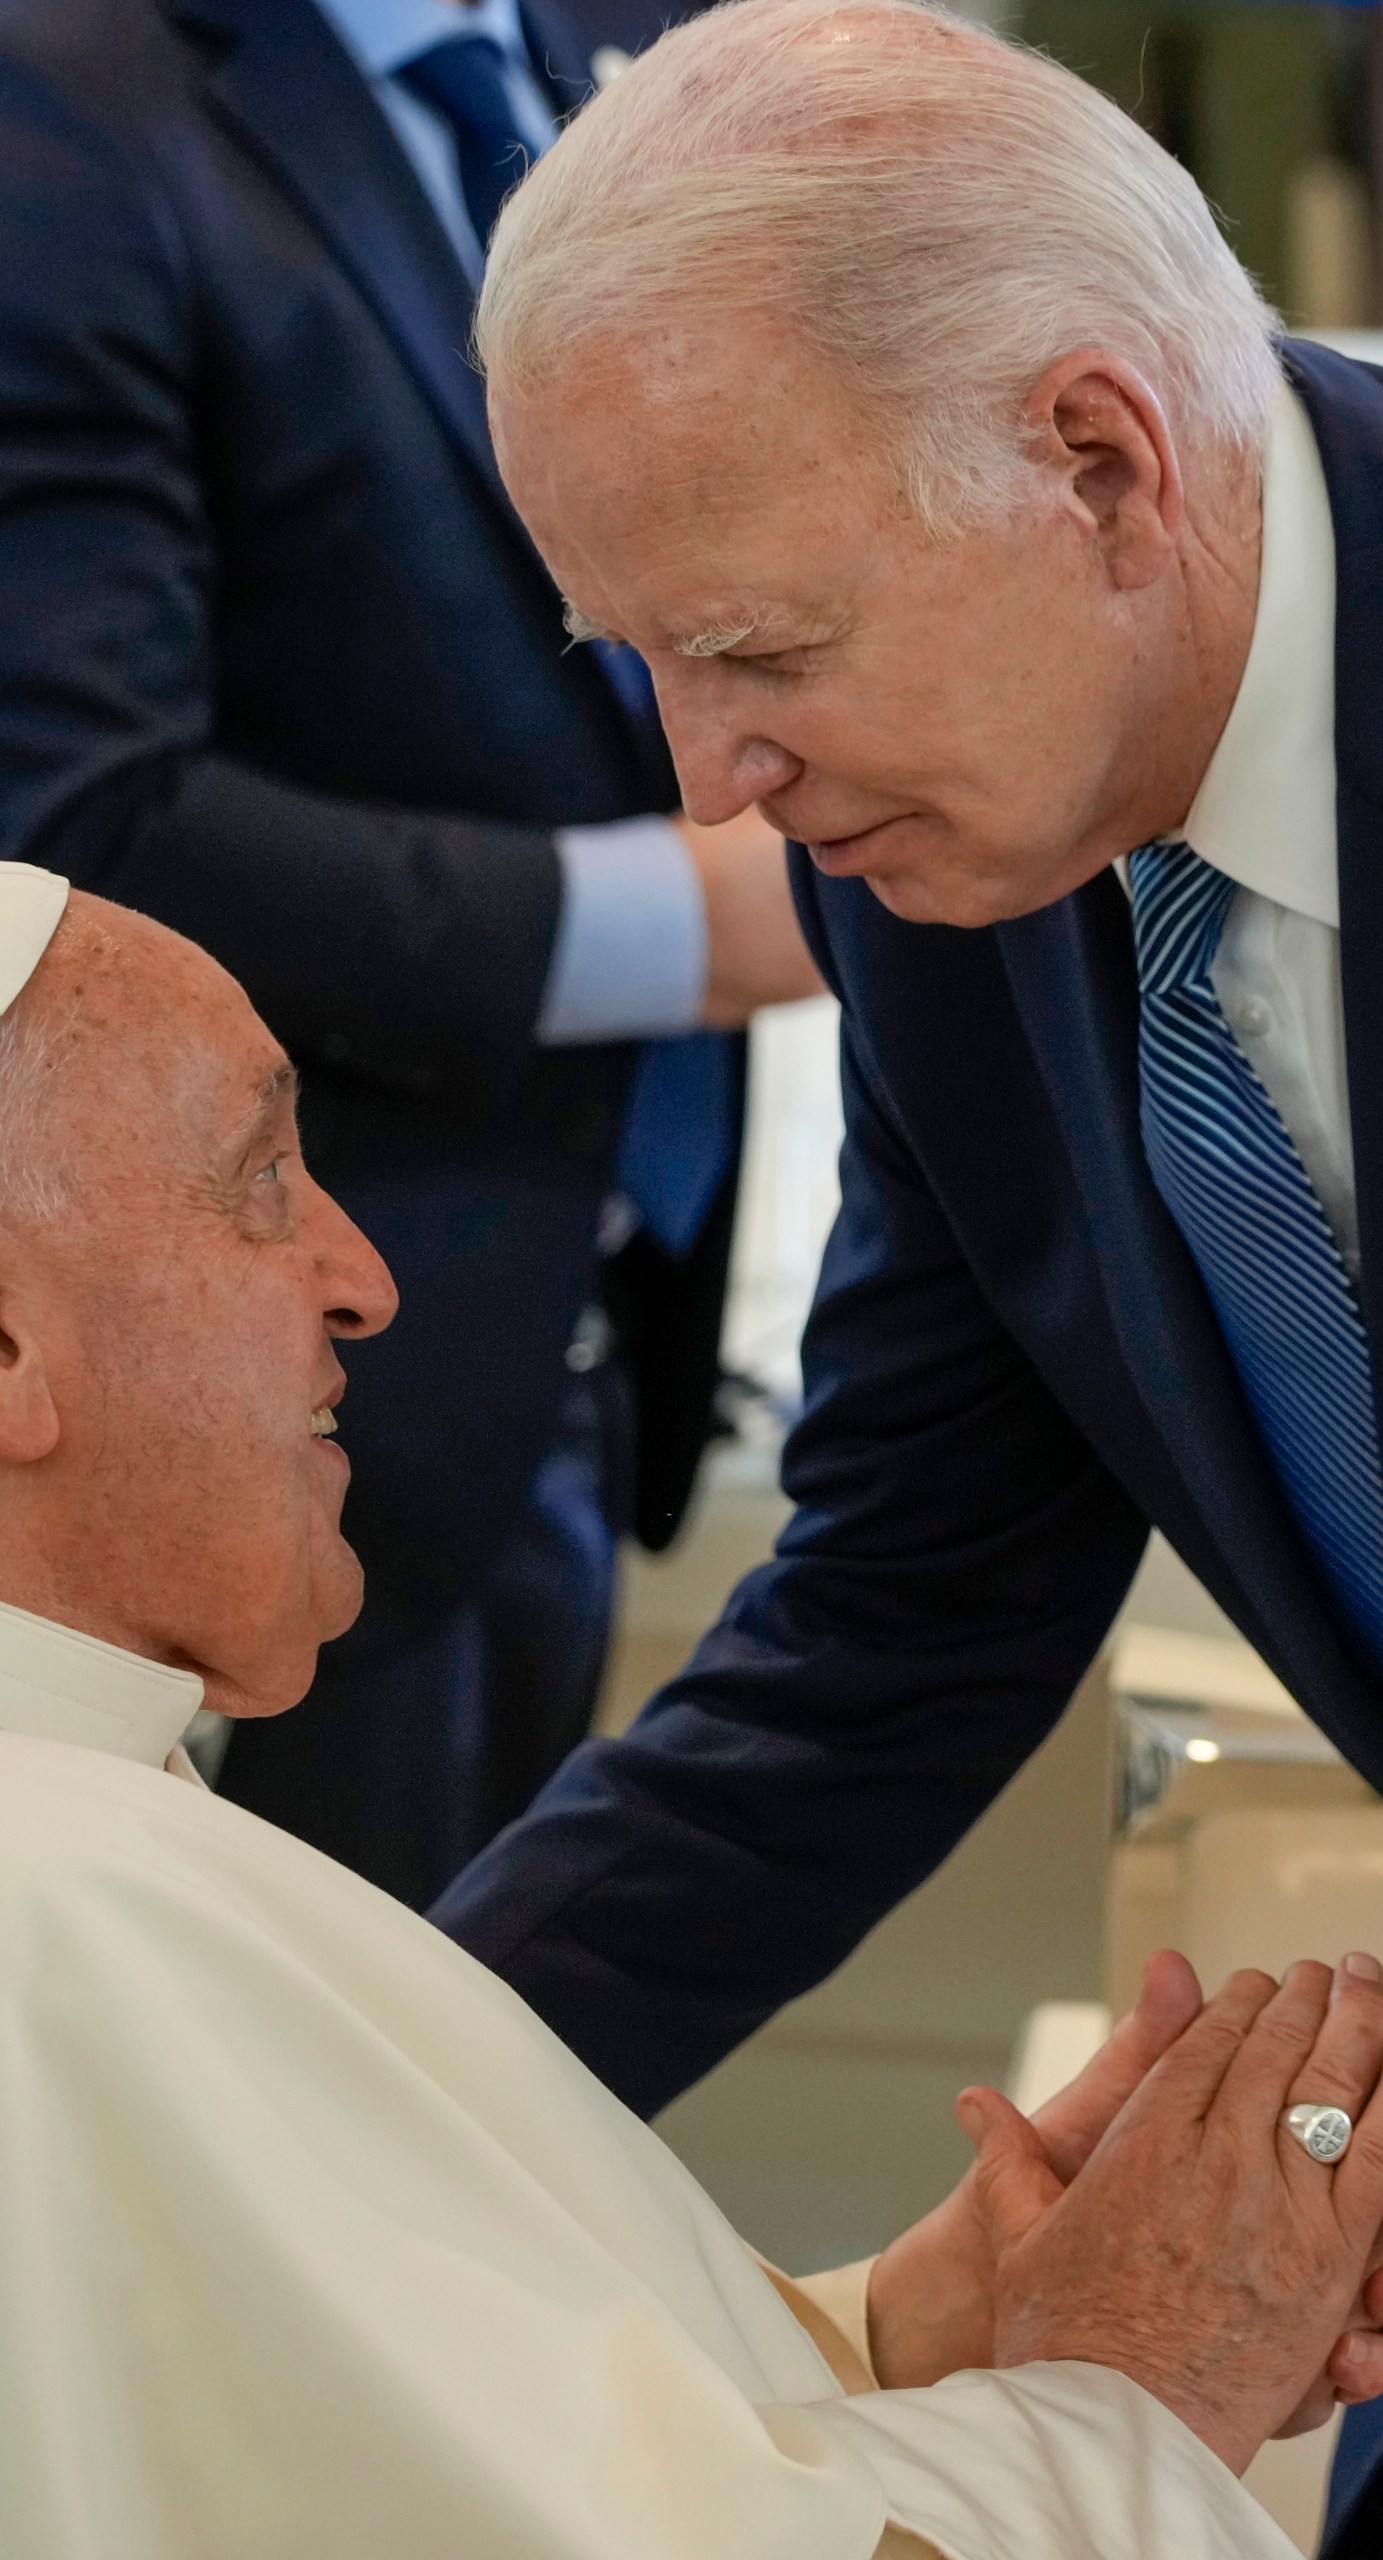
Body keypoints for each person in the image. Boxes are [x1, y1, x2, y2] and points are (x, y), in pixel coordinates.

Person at [427, 2, 1383, 2542]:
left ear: (1098, 463)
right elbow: (910, 1595)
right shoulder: (960, 841)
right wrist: (345, 2078)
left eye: (760, 648)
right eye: (647, 665)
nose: (709, 782)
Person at [3, 856, 1383, 2558]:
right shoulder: (60, 1915)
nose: (361, 1276)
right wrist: (1134, 2378)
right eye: (260, 1179)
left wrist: (926, 2331)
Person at [0, 0, 820, 1911]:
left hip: (594, 1315)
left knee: (489, 2061)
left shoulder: (635, 49)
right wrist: (690, 922)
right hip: (263, 1369)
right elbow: (76, 820)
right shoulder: (62, 108)